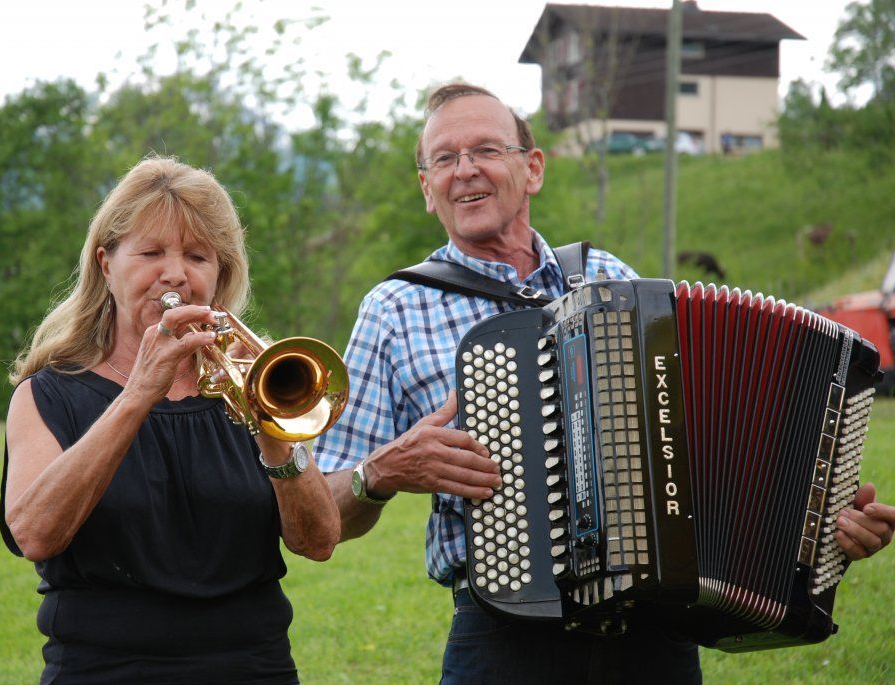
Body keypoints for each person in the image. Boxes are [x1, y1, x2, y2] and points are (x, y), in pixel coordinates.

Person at [314, 83, 895, 684]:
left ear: (532, 168)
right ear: (427, 188)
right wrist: (379, 474)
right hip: (505, 639)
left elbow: (703, 446)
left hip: (655, 639)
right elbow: (320, 515)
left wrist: (824, 525)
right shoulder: (395, 308)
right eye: (444, 158)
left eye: (486, 149)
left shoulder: (609, 279)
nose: (464, 171)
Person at [0, 156, 340, 684]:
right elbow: (35, 535)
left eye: (199, 257)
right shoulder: (47, 395)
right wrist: (139, 394)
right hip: (105, 670)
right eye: (152, 252)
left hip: (253, 667)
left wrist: (274, 434)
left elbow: (317, 542)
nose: (176, 273)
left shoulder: (250, 384)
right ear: (106, 263)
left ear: (220, 274)